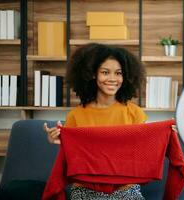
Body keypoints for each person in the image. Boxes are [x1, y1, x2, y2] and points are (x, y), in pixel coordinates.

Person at [43, 43, 148, 199]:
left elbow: (146, 148)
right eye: (105, 72)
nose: (113, 79)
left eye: (118, 73)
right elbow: (74, 159)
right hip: (85, 188)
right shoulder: (76, 115)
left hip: (126, 188)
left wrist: (166, 134)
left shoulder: (135, 113)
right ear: (92, 74)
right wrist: (58, 140)